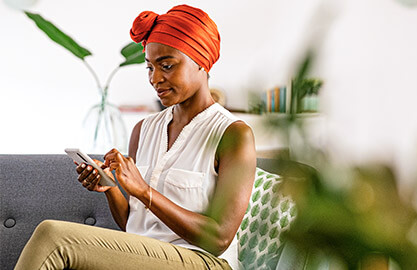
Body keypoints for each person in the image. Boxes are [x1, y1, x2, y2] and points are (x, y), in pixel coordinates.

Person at [15, 4, 256, 270]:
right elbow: (134, 223)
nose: (155, 79)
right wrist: (111, 189)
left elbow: (220, 237)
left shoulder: (233, 134)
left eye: (166, 66)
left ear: (202, 62)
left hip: (203, 261)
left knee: (54, 237)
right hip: (147, 255)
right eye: (149, 68)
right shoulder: (144, 129)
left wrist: (144, 190)